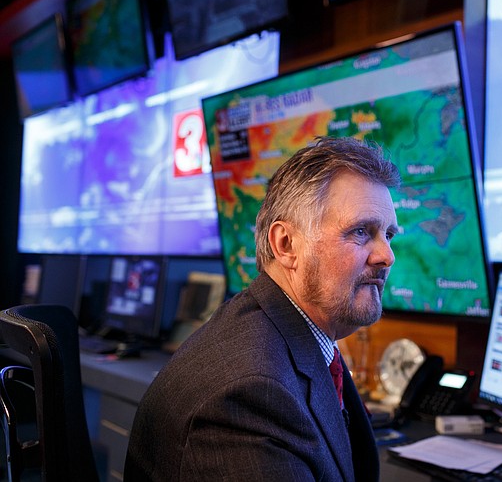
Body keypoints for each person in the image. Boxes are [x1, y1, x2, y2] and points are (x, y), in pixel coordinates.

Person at [124, 136, 401, 481]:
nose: (386, 255)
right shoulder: (251, 394)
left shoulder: (285, 333)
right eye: (361, 232)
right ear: (286, 245)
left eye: (389, 234)